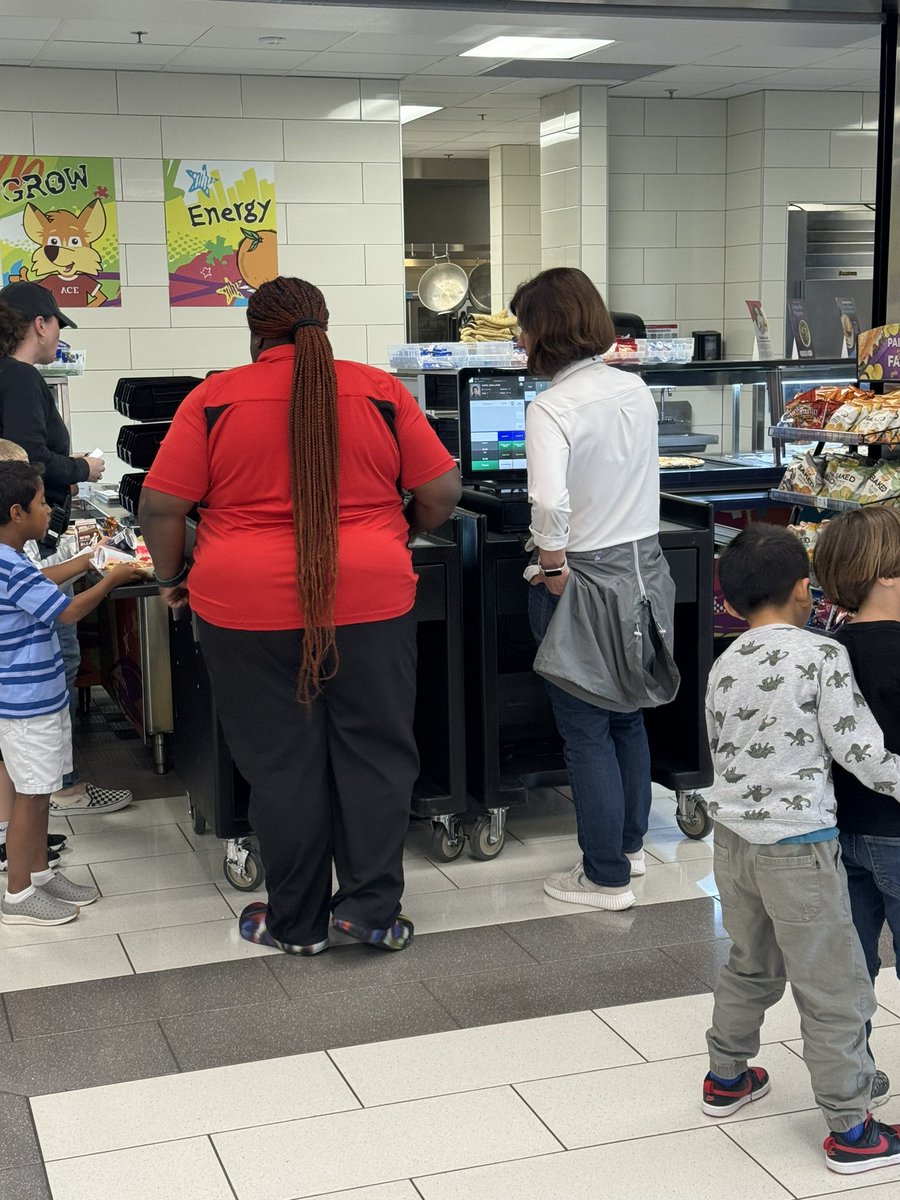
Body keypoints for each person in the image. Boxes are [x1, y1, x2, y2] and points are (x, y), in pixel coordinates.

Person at [139, 276, 460, 955]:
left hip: (245, 608)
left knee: (283, 764)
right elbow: (440, 492)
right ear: (324, 322)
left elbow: (160, 508)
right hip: (370, 597)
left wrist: (172, 579)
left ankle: (297, 923)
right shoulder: (379, 391)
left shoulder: (214, 397)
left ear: (256, 334)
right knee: (375, 754)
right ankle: (370, 913)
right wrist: (390, 530)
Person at [701, 523, 900, 1175]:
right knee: (833, 986)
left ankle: (727, 1078)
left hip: (732, 844)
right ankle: (851, 1130)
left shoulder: (725, 663)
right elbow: (859, 750)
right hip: (799, 848)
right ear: (803, 591)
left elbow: (722, 750)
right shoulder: (821, 656)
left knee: (750, 963)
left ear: (727, 603)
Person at [509, 267, 678, 913]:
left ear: (544, 331)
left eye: (523, 326)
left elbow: (548, 501)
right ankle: (629, 852)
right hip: (643, 570)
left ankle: (603, 878)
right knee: (627, 718)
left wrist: (551, 568)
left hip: (583, 577)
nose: (519, 339)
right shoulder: (633, 390)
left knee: (584, 730)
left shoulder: (551, 406)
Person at [0, 283, 131, 817]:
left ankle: (36, 787)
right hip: (35, 543)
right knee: (61, 650)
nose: (58, 337)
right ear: (39, 324)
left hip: (29, 543)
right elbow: (27, 460)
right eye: (57, 325)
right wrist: (82, 469)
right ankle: (63, 786)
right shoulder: (22, 377)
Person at [0, 462, 142, 927]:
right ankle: (19, 893)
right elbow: (66, 612)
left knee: (42, 791)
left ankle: (39, 874)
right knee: (32, 794)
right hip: (27, 704)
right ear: (18, 512)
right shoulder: (7, 565)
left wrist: (91, 557)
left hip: (40, 696)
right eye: (43, 503)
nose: (50, 510)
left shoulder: (12, 555)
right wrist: (111, 579)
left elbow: (44, 582)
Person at [814, 508, 900, 1071]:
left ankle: (856, 1082)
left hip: (840, 833)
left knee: (851, 970)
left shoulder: (828, 649)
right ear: (889, 575)